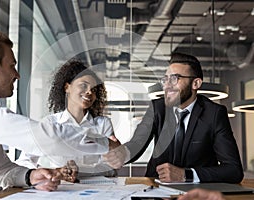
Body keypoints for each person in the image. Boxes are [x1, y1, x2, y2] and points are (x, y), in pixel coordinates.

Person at [0, 29, 119, 199]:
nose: (17, 74)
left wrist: (31, 176)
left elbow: (1, 170)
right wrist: (106, 143)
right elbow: (48, 138)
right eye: (12, 66)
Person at [103, 52, 244, 184]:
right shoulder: (157, 108)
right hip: (157, 187)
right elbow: (137, 143)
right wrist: (123, 153)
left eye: (175, 78)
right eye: (165, 79)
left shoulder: (214, 113)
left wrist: (186, 175)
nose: (167, 85)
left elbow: (234, 170)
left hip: (196, 193)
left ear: (196, 84)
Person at [16, 60, 118, 177]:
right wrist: (53, 172)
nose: (89, 92)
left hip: (95, 188)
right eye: (83, 85)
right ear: (67, 87)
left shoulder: (102, 124)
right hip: (58, 188)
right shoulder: (50, 123)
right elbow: (24, 161)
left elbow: (110, 167)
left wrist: (80, 170)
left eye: (94, 90)